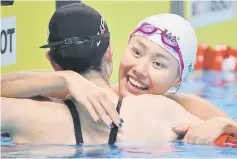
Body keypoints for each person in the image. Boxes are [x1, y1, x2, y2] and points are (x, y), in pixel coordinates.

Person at [1, 3, 236, 145]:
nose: (140, 70)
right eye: (136, 52)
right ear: (113, 51)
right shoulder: (168, 115)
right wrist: (67, 79)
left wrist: (223, 125)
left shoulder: (181, 106)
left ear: (178, 80)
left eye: (158, 64)